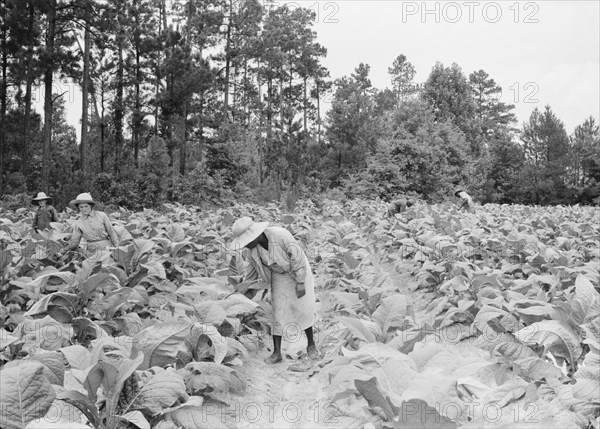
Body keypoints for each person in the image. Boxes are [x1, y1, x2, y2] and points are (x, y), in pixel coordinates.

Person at [230, 217, 318, 364]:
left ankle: (311, 345)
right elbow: (251, 277)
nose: (246, 245)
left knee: (303, 306)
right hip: (279, 275)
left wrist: (301, 282)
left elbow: (297, 257)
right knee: (278, 311)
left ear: (256, 235)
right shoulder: (251, 251)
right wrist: (241, 297)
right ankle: (277, 353)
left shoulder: (280, 235)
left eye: (247, 241)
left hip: (299, 269)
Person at [58, 193, 119, 259]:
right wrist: (62, 251)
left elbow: (111, 232)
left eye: (86, 206)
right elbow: (74, 243)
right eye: (81, 207)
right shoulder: (78, 223)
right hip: (91, 252)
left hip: (107, 249)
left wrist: (117, 248)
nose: (84, 209)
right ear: (78, 208)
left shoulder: (102, 216)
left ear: (91, 206)